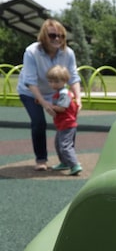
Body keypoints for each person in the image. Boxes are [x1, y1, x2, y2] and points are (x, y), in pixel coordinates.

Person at [17, 19, 82, 171]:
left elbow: (73, 77)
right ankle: (41, 159)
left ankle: (67, 159)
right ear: (44, 36)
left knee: (68, 121)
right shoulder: (32, 52)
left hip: (57, 91)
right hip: (30, 92)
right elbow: (30, 81)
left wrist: (78, 99)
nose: (57, 39)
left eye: (61, 35)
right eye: (52, 35)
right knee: (39, 122)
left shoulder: (68, 53)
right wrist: (44, 103)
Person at [45, 65, 83, 176]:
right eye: (50, 81)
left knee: (65, 146)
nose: (53, 84)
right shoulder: (59, 93)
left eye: (56, 81)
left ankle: (74, 164)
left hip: (67, 124)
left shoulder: (64, 94)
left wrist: (49, 106)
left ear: (65, 81)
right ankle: (65, 162)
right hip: (63, 124)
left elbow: (62, 108)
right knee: (58, 144)